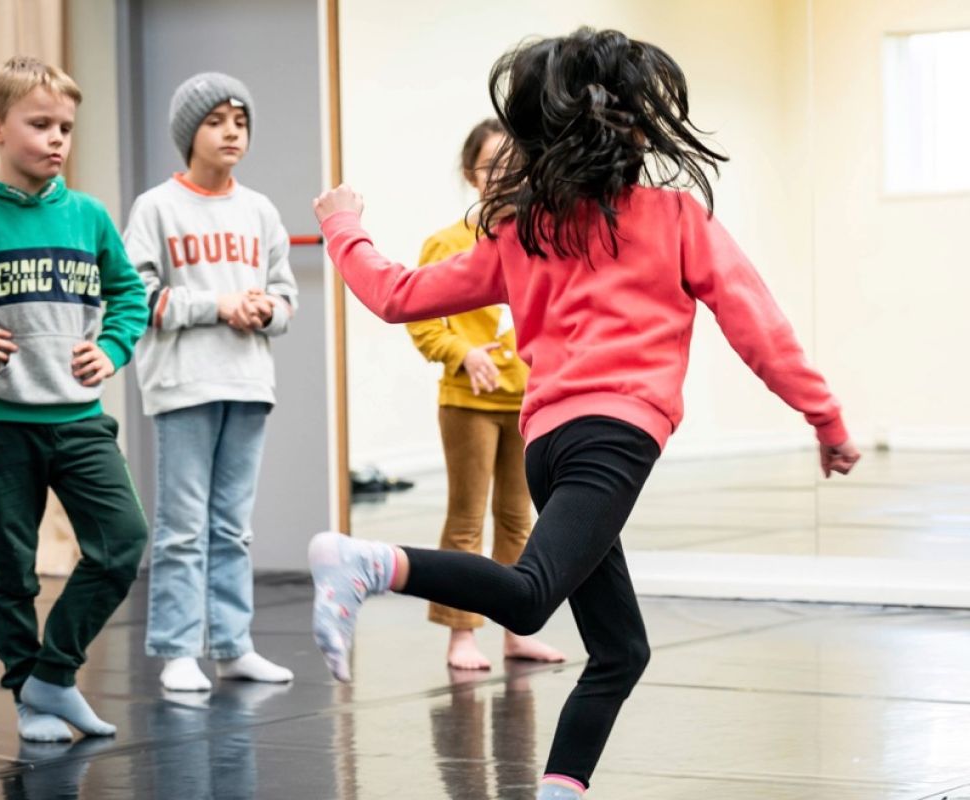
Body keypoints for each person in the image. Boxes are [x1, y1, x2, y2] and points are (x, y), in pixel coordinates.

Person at [307, 28, 861, 799]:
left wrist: (343, 223)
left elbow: (397, 294)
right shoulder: (672, 219)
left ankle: (560, 790)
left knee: (618, 651)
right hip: (615, 437)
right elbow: (757, 328)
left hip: (548, 443)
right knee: (532, 596)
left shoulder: (521, 230)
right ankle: (369, 562)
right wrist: (826, 420)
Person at [0, 57, 148, 740]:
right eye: (40, 124)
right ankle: (27, 697)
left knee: (123, 542)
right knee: (13, 567)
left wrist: (114, 347)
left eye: (65, 126)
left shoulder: (88, 216)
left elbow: (128, 292)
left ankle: (54, 675)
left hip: (78, 419)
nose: (57, 138)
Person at [123, 72, 299, 691]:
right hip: (183, 384)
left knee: (233, 525)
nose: (231, 132)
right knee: (182, 526)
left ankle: (232, 645)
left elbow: (285, 294)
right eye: (217, 120)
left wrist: (265, 311)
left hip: (249, 384)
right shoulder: (156, 207)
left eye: (240, 121)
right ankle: (176, 649)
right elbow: (136, 296)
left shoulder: (259, 210)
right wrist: (218, 305)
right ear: (188, 133)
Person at [405, 118, 564, 670]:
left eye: (514, 163)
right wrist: (462, 354)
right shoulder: (447, 243)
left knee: (520, 521)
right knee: (467, 520)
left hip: (528, 405)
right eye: (491, 164)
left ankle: (516, 631)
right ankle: (460, 635)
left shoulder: (542, 239)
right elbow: (423, 321)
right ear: (471, 174)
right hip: (467, 404)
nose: (504, 174)